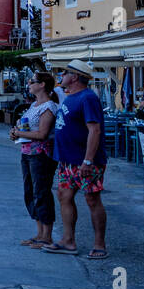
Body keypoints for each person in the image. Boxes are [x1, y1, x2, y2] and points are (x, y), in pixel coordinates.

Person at [43, 60, 109, 259]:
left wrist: (88, 160)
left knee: (92, 199)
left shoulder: (87, 98)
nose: (61, 76)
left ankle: (100, 244)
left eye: (64, 72)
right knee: (64, 196)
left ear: (74, 76)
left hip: (85, 161)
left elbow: (94, 130)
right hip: (68, 160)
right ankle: (68, 240)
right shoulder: (71, 97)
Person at [9, 72, 60, 249]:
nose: (29, 84)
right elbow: (27, 129)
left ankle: (47, 236)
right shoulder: (34, 106)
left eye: (33, 81)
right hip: (27, 153)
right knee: (30, 192)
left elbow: (42, 134)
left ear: (43, 85)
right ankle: (39, 233)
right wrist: (16, 133)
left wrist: (19, 133)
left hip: (41, 154)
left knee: (42, 192)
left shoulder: (49, 107)